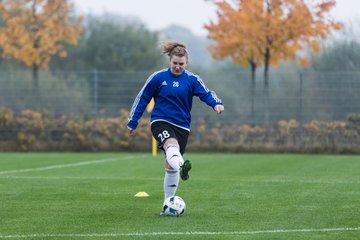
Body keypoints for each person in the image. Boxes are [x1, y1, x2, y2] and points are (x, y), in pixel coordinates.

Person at [127, 40, 224, 215]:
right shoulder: (158, 78)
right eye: (175, 64)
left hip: (182, 127)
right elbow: (142, 98)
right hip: (161, 121)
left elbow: (206, 93)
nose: (178, 67)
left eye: (181, 64)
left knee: (170, 164)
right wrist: (133, 121)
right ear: (170, 61)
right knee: (171, 146)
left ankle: (167, 204)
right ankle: (182, 167)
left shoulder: (192, 80)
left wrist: (216, 104)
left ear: (186, 63)